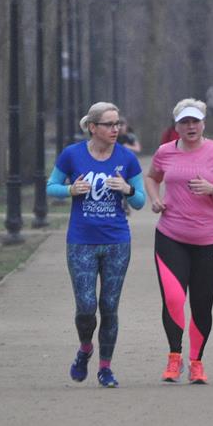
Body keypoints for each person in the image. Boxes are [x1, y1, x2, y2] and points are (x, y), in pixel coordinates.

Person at [46, 102, 146, 388]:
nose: (116, 129)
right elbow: (50, 186)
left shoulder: (127, 158)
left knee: (110, 306)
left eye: (117, 124)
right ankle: (85, 348)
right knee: (86, 306)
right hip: (81, 242)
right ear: (92, 127)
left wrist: (127, 189)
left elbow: (140, 201)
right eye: (109, 124)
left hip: (116, 242)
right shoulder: (72, 154)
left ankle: (105, 368)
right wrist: (70, 189)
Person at [146, 98, 213, 384]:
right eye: (184, 122)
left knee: (201, 303)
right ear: (176, 126)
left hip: (209, 239)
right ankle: (174, 357)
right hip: (171, 236)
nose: (190, 127)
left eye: (195, 121)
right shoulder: (165, 152)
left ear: (203, 124)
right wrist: (156, 199)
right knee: (174, 298)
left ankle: (196, 362)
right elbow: (151, 178)